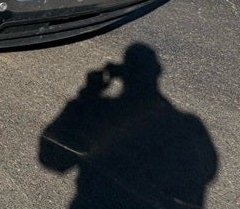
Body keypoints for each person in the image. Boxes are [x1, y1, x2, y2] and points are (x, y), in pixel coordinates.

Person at [39, 43, 218, 208]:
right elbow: (209, 170)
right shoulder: (187, 126)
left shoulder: (101, 114)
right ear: (157, 72)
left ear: (122, 75)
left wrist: (87, 96)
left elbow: (53, 158)